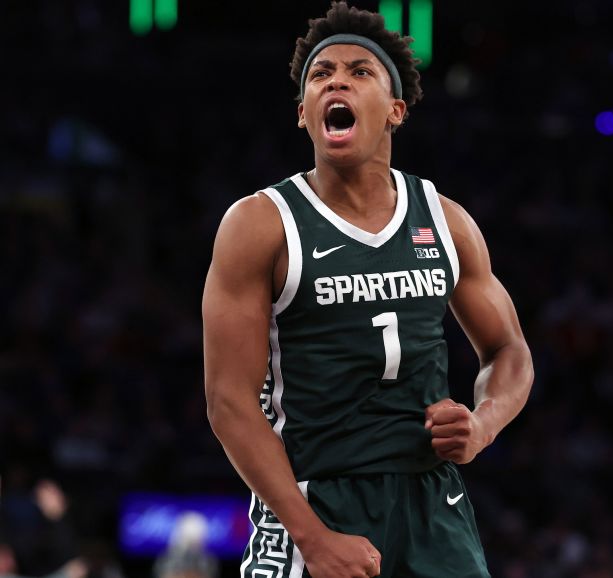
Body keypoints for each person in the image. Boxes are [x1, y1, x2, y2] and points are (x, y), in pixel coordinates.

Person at [202, 2, 533, 577]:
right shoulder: (260, 224)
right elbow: (230, 403)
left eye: (360, 72)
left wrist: (483, 424)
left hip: (432, 501)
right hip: (313, 496)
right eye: (321, 75)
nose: (337, 81)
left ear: (396, 110)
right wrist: (312, 538)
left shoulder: (445, 219)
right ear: (304, 113)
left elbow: (510, 353)